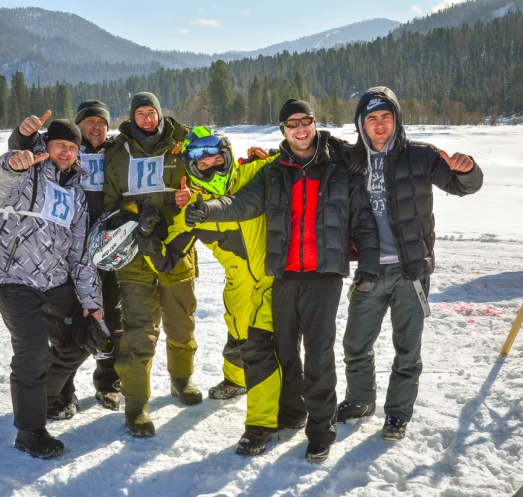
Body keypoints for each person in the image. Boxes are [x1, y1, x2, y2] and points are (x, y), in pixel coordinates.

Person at [185, 99, 380, 462]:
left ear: (315, 125)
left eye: (306, 122)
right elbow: (241, 203)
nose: (300, 129)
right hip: (285, 274)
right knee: (286, 353)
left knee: (319, 356)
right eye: (292, 124)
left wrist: (368, 265)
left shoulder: (339, 168)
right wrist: (205, 209)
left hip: (324, 275)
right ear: (283, 130)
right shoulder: (274, 171)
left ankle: (322, 430)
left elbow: (363, 222)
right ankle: (291, 415)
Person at [337, 86, 484, 441]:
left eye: (386, 117)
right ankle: (360, 401)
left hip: (411, 272)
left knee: (407, 351)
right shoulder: (349, 162)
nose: (380, 124)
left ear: (397, 119)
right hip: (369, 272)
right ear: (361, 123)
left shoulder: (421, 156)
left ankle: (398, 415)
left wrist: (467, 170)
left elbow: (465, 186)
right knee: (355, 346)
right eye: (372, 118)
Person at [136, 127, 281, 433]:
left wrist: (273, 152)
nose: (212, 166)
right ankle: (235, 380)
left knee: (272, 342)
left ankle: (278, 410)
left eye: (216, 159)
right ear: (191, 169)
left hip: (277, 276)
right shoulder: (192, 211)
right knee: (238, 333)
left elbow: (300, 154)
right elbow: (166, 259)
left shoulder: (257, 170)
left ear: (227, 156)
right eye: (202, 165)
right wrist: (148, 234)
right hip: (239, 283)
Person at [0, 120, 104, 458]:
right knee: (34, 349)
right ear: (47, 146)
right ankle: (30, 431)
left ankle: (42, 396)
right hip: (11, 277)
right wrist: (11, 163)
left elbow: (80, 255)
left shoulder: (77, 194)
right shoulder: (26, 174)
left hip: (52, 279)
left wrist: (92, 303)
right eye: (60, 145)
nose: (67, 152)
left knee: (83, 336)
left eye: (73, 147)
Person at [8, 101, 124, 412]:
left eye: (102, 122)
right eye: (89, 122)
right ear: (79, 126)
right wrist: (22, 135)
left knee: (108, 317)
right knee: (68, 326)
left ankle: (108, 383)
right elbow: (23, 151)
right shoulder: (63, 149)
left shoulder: (117, 150)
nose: (96, 127)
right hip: (67, 250)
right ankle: (62, 391)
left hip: (108, 249)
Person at [103, 92, 200, 438]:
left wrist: (196, 198)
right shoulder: (117, 155)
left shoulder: (184, 144)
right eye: (139, 113)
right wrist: (134, 216)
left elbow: (210, 180)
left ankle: (181, 380)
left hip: (176, 247)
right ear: (132, 117)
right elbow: (110, 204)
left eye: (151, 112)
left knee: (181, 322)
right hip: (134, 254)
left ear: (160, 115)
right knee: (138, 330)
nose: (146, 118)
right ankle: (136, 405)